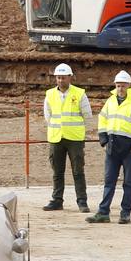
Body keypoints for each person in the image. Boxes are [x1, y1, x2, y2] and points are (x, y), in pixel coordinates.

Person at [88, 70, 131, 224]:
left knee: (128, 182)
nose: (120, 88)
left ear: (129, 85)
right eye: (118, 85)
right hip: (112, 146)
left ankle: (125, 213)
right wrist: (104, 141)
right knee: (109, 181)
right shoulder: (110, 101)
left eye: (123, 85)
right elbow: (102, 120)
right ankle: (103, 212)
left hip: (129, 148)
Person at [42, 63, 91, 213]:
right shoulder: (49, 94)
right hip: (56, 138)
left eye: (63, 77)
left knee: (78, 171)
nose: (60, 80)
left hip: (74, 139)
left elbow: (87, 115)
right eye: (58, 77)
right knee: (57, 171)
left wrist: (76, 130)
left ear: (70, 77)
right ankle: (57, 200)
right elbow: (48, 115)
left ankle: (82, 201)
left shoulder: (79, 94)